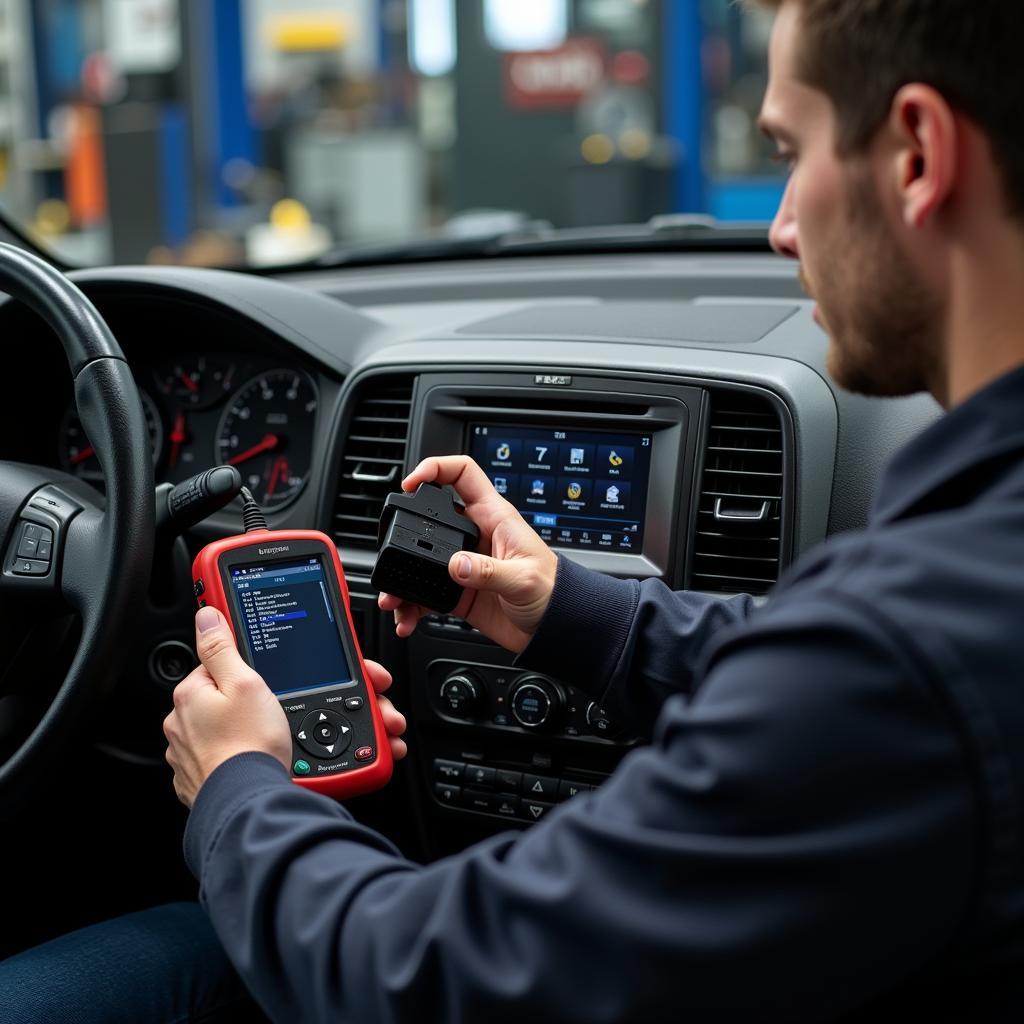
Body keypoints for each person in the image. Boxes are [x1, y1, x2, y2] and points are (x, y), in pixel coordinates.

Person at [5, 0, 1024, 1019]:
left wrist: (234, 787)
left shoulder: (905, 651)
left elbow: (426, 979)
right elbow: (818, 679)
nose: (780, 224)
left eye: (792, 152)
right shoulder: (956, 591)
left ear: (917, 156)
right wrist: (571, 613)